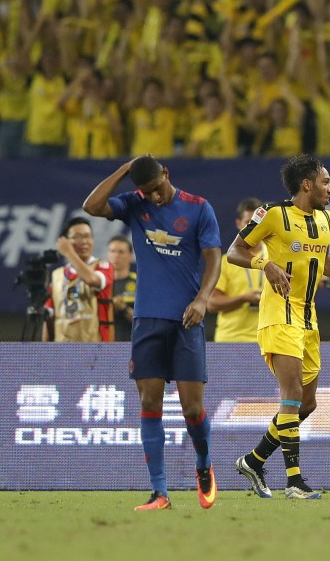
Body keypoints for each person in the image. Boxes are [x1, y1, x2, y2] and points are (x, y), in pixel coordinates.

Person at [83, 155, 222, 511]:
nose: (155, 198)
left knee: (193, 409)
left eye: (157, 189)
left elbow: (213, 257)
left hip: (186, 320)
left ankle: (204, 466)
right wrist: (125, 171)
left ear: (167, 175)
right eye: (147, 192)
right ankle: (160, 492)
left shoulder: (198, 208)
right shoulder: (135, 203)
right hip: (147, 320)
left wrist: (203, 299)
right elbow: (92, 205)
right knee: (149, 403)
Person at [229, 155, 330, 500]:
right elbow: (235, 250)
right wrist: (266, 264)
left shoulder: (326, 218)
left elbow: (321, 258)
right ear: (306, 184)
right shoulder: (273, 214)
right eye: (325, 182)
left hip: (309, 318)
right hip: (278, 314)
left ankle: (253, 461)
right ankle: (294, 481)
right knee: (290, 398)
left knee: (307, 405)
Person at [43, 218, 114, 342]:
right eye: (77, 237)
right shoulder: (57, 275)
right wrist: (44, 351)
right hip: (63, 351)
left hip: (97, 350)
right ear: (65, 241)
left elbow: (92, 280)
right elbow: (49, 316)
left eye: (87, 236)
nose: (84, 241)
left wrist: (69, 253)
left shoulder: (103, 267)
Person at [208, 198, 266, 343]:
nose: (254, 227)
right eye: (248, 223)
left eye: (258, 222)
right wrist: (244, 298)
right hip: (230, 341)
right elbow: (212, 303)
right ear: (238, 224)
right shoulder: (226, 261)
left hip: (267, 341)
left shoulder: (277, 257)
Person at [108, 236, 137, 342]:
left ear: (130, 256)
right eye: (112, 251)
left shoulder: (139, 283)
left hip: (130, 343)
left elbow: (145, 322)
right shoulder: (100, 283)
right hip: (103, 345)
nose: (116, 255)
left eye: (121, 252)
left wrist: (124, 308)